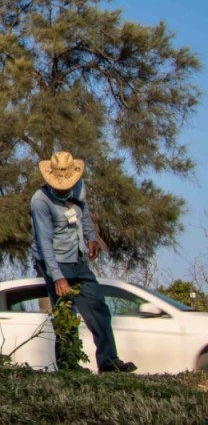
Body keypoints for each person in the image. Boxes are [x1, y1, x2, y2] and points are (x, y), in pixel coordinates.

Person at [30, 151, 137, 373]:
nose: (64, 189)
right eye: (59, 186)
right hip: (53, 260)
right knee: (66, 313)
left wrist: (91, 237)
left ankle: (109, 361)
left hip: (76, 257)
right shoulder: (40, 202)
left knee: (98, 306)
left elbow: (84, 212)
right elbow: (44, 242)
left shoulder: (79, 187)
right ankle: (68, 366)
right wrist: (57, 277)